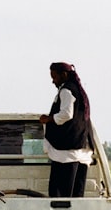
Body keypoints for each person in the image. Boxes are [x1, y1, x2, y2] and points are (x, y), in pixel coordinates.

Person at [39, 62, 93, 197]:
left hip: (66, 151)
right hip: (81, 148)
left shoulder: (66, 90)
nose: (53, 81)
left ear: (64, 75)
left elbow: (66, 114)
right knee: (76, 195)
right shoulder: (78, 91)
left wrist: (49, 119)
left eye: (54, 77)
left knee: (61, 194)